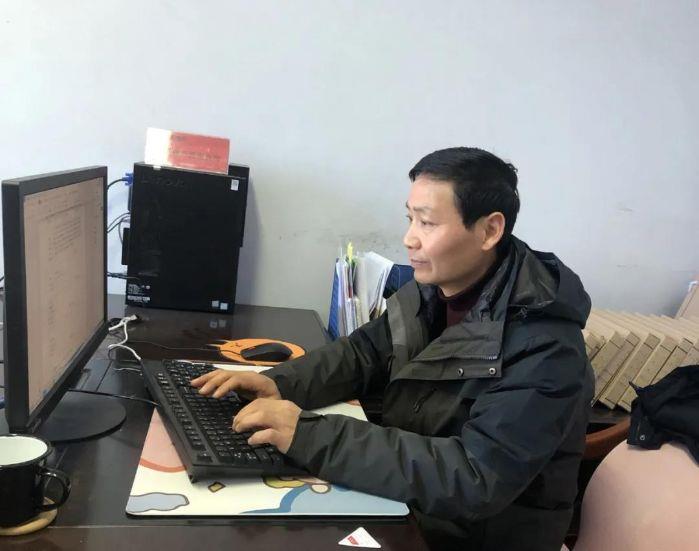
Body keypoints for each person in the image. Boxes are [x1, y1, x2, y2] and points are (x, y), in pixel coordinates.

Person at [191, 147, 594, 551]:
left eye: (427, 222)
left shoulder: (546, 349)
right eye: (410, 218)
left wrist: (308, 435)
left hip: (471, 536)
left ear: (489, 231)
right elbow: (365, 352)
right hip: (414, 502)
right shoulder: (436, 287)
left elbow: (474, 477)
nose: (409, 239)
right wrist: (279, 383)